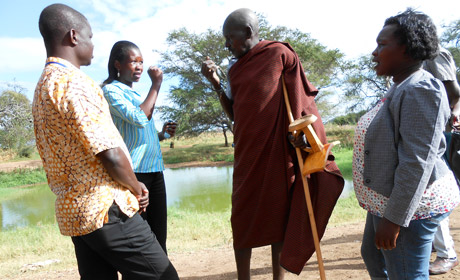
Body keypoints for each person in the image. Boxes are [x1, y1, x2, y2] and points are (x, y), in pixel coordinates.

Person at [33, 4, 179, 279]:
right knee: (164, 276)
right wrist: (137, 187)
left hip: (75, 214)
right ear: (74, 37)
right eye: (90, 37)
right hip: (104, 208)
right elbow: (109, 152)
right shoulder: (75, 83)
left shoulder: (44, 85)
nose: (93, 45)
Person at [201, 8, 344, 279]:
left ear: (247, 32)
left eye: (229, 38)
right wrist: (216, 82)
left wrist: (303, 133)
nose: (226, 45)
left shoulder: (279, 54)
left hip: (280, 152)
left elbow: (302, 100)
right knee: (242, 218)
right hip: (247, 153)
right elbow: (236, 115)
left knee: (281, 216)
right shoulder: (234, 68)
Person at [353, 8, 460, 279]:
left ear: (408, 50)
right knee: (374, 255)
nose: (374, 53)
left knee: (405, 273)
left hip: (413, 206)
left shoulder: (420, 90)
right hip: (387, 198)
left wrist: (394, 219)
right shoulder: (401, 85)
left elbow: (416, 163)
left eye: (382, 45)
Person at [101, 40, 176, 254]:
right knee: (140, 239)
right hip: (135, 174)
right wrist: (156, 85)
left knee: (159, 236)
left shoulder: (136, 95)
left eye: (141, 62)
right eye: (133, 62)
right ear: (117, 64)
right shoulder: (111, 92)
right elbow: (139, 117)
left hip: (154, 170)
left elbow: (140, 130)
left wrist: (161, 134)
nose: (139, 67)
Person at [423, 46, 460, 275]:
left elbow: (453, 90)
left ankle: (447, 254)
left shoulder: (432, 52)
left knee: (432, 190)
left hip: (440, 133)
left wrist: (440, 119)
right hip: (434, 131)